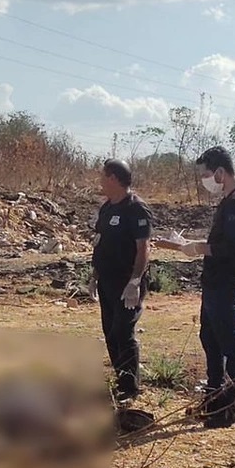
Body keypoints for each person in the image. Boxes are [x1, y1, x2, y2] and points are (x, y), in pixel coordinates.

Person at [154, 146, 235, 428]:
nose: (205, 180)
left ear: (221, 172)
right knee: (210, 340)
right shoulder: (230, 200)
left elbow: (232, 248)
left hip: (224, 283)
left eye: (207, 174)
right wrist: (188, 245)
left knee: (231, 346)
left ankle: (230, 408)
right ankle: (213, 400)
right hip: (214, 282)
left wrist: (198, 248)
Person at [88, 158, 152, 409]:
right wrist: (94, 276)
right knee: (110, 333)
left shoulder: (136, 209)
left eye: (103, 176)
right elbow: (99, 243)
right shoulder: (106, 208)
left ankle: (130, 388)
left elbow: (143, 248)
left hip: (128, 284)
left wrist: (135, 281)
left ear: (113, 178)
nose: (100, 181)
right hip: (107, 281)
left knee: (123, 333)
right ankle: (120, 380)